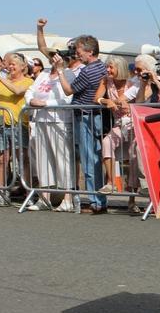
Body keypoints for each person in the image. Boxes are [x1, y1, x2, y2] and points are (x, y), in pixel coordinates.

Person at [52, 35, 108, 214]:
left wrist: (60, 71)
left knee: (89, 160)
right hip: (93, 116)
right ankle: (98, 200)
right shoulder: (102, 66)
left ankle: (96, 202)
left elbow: (69, 90)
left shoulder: (88, 71)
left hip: (85, 117)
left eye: (79, 51)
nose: (77, 55)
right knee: (94, 159)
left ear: (90, 52)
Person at [23, 50, 76, 212]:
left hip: (59, 121)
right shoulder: (43, 74)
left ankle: (68, 199)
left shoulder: (69, 74)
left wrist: (46, 103)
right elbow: (30, 90)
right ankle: (44, 198)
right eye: (52, 55)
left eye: (57, 55)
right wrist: (31, 100)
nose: (54, 58)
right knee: (42, 160)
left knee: (63, 159)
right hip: (40, 120)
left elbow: (68, 98)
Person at [0, 52, 33, 206]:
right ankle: (2, 192)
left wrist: (1, 78)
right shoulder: (3, 81)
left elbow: (17, 91)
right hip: (0, 120)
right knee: (1, 158)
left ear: (22, 67)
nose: (10, 67)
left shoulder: (28, 81)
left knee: (22, 157)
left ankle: (28, 192)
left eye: (13, 64)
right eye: (9, 64)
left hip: (18, 122)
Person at [96, 55, 141, 213]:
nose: (108, 70)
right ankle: (110, 182)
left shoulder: (133, 82)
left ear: (119, 68)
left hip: (133, 124)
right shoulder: (106, 81)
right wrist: (106, 101)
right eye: (107, 67)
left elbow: (139, 100)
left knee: (133, 158)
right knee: (107, 142)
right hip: (118, 123)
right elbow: (97, 98)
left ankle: (132, 200)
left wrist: (127, 106)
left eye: (111, 67)